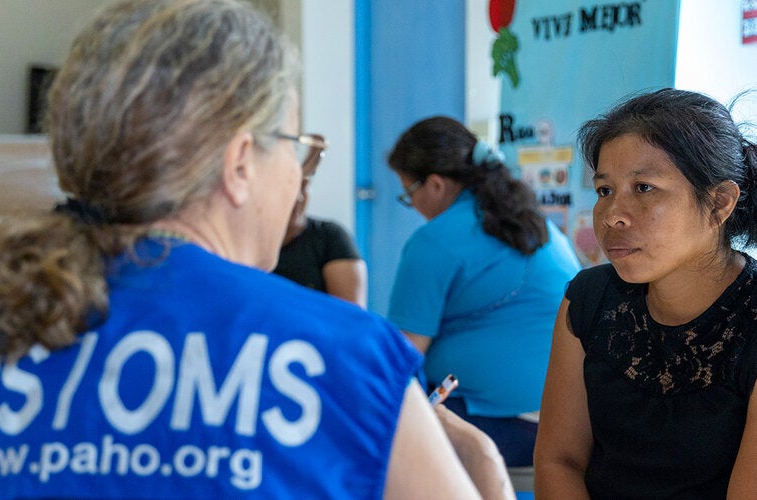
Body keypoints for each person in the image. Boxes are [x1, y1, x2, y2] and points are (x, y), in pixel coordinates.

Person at [0, 1, 515, 498]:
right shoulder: (345, 357)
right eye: (296, 148)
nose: (296, 177)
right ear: (240, 163)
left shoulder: (7, 318)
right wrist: (483, 460)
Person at [534, 88, 757, 498]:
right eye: (605, 190)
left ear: (720, 202)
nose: (613, 215)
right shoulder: (589, 297)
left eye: (644, 188)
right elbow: (558, 460)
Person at [386, 115, 582, 467]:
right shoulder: (531, 222)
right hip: (570, 419)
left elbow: (402, 354)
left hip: (502, 423)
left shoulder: (434, 241)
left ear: (434, 184)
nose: (412, 204)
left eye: (407, 193)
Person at [274, 160, 368, 308]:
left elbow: (351, 318)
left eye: (304, 187)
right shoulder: (243, 238)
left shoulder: (329, 237)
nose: (298, 198)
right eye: (290, 188)